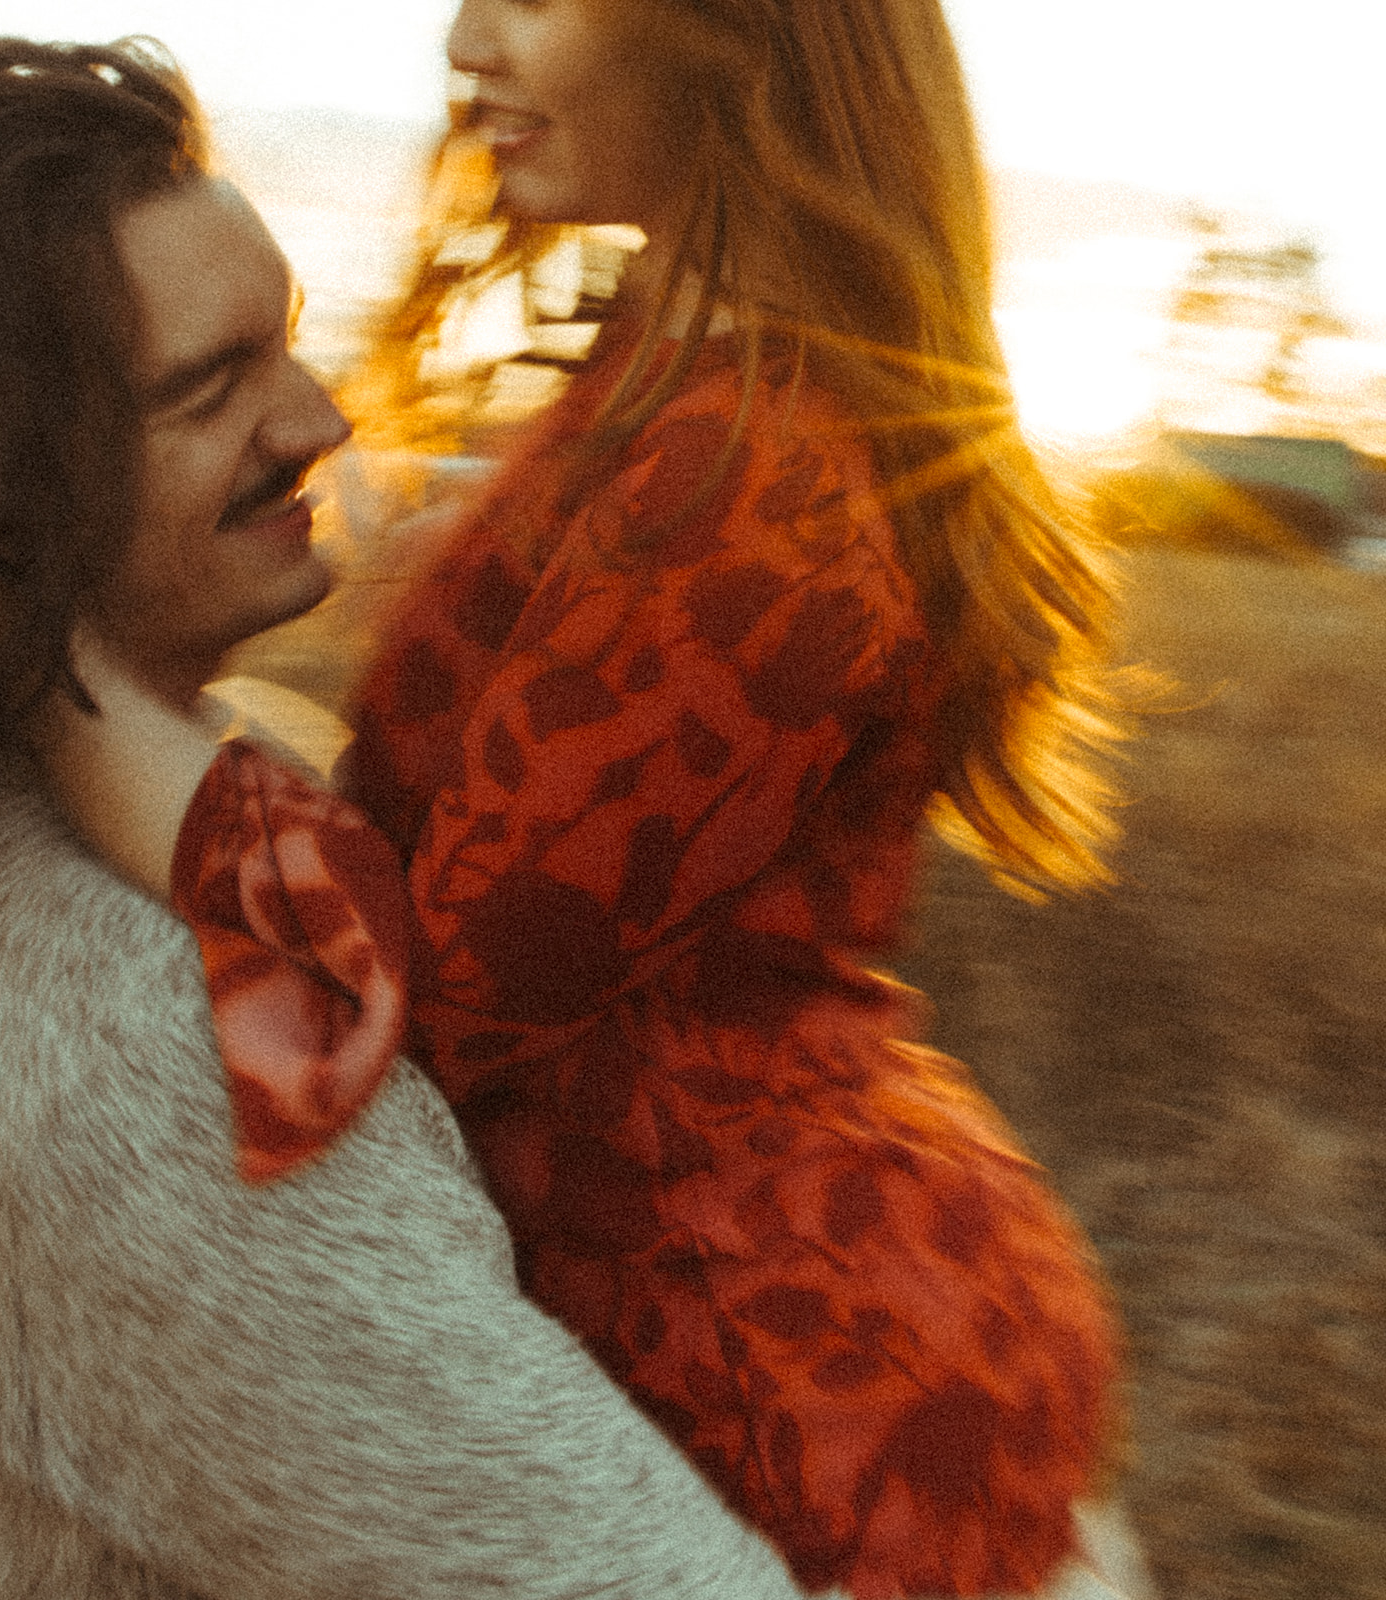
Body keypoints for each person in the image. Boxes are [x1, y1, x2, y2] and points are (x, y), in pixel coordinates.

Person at [123, 0, 1155, 1595]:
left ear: (739, 31)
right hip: (765, 1298)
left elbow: (386, 1026)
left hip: (787, 1405)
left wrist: (76, 708)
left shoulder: (748, 472)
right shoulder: (667, 373)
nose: (463, 41)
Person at [0, 37, 830, 1600]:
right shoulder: (106, 1051)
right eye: (213, 389)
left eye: (284, 344)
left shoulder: (155, 788)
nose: (322, 419)